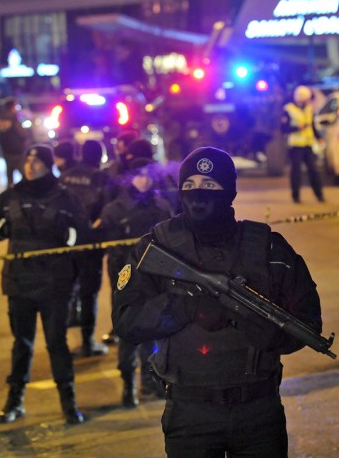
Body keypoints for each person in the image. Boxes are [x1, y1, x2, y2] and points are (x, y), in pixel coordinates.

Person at [112, 146, 323, 456]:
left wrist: (267, 332)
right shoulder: (157, 246)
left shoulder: (268, 249)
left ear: (230, 191)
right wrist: (186, 308)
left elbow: (306, 321)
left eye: (210, 185)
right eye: (190, 185)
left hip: (258, 410)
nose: (199, 194)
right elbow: (127, 320)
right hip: (189, 411)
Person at [0, 144, 92, 425]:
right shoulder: (11, 195)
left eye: (37, 161)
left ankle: (69, 404)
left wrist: (69, 241)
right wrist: (3, 229)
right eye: (28, 160)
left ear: (48, 165)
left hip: (54, 283)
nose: (30, 165)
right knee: (22, 343)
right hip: (19, 281)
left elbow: (84, 234)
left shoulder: (66, 197)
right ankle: (14, 401)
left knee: (57, 344)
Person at [94, 157, 174, 407]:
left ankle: (150, 383)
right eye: (139, 175)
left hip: (155, 280)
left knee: (153, 332)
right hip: (125, 281)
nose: (144, 180)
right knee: (128, 333)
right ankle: (129, 387)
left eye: (148, 175)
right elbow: (107, 246)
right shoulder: (115, 209)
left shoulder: (160, 206)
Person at [59, 140, 110, 356]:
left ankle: (60, 343)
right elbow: (107, 213)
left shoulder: (66, 176)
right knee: (89, 294)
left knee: (65, 291)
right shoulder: (101, 178)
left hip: (66, 242)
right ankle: (88, 342)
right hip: (90, 245)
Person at [280, 85, 324, 203]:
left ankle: (319, 195)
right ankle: (296, 196)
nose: (307, 101)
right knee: (296, 171)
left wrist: (318, 137)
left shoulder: (309, 108)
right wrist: (296, 128)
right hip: (295, 146)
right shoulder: (288, 109)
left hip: (308, 145)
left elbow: (312, 125)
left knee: (313, 170)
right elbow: (283, 129)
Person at [0, 97, 30, 187]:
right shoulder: (14, 118)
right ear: (12, 106)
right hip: (18, 151)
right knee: (26, 175)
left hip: (6, 152)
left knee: (9, 178)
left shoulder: (0, 118)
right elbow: (22, 134)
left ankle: (9, 197)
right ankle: (24, 193)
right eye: (17, 106)